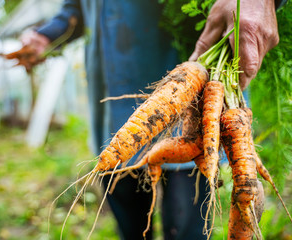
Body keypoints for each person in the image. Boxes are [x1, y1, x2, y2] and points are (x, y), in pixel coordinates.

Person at [20, 0, 282, 239]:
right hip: (111, 97)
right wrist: (47, 34)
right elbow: (75, 8)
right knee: (128, 219)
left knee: (186, 228)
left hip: (188, 92)